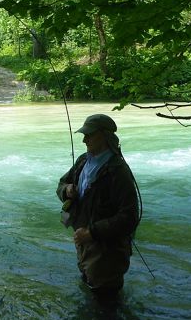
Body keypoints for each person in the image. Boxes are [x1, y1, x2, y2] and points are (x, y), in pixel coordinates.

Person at [56, 114, 140, 301]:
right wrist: (67, 189)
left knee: (105, 302)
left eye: (89, 135)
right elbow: (62, 183)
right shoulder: (82, 161)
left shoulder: (118, 171)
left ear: (104, 136)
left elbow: (129, 217)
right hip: (84, 242)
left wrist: (92, 233)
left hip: (107, 252)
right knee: (90, 291)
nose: (84, 140)